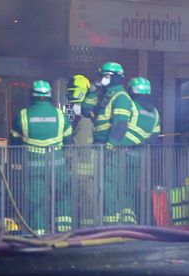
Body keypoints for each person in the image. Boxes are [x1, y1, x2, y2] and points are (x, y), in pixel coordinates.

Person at [10, 80, 72, 235]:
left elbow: (14, 141)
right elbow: (68, 139)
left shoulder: (23, 115)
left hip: (33, 168)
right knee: (62, 198)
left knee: (35, 202)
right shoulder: (60, 114)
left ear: (32, 95)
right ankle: (64, 232)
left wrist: (16, 161)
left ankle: (38, 234)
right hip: (57, 166)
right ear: (49, 95)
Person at [81, 61, 134, 225]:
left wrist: (111, 145)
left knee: (109, 186)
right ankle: (109, 224)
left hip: (111, 150)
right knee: (102, 186)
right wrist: (93, 90)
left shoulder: (121, 97)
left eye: (105, 76)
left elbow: (120, 125)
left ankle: (112, 225)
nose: (102, 79)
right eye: (102, 76)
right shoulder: (106, 95)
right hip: (101, 147)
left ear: (115, 77)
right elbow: (85, 110)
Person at [117, 77, 162, 224]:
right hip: (138, 156)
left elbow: (120, 125)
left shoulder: (131, 106)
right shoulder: (155, 112)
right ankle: (130, 221)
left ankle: (121, 221)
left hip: (121, 153)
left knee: (117, 188)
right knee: (130, 189)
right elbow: (154, 137)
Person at [64, 74, 96, 228]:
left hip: (83, 172)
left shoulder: (85, 120)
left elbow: (79, 144)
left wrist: (65, 154)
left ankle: (87, 232)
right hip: (82, 172)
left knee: (86, 206)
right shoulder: (83, 117)